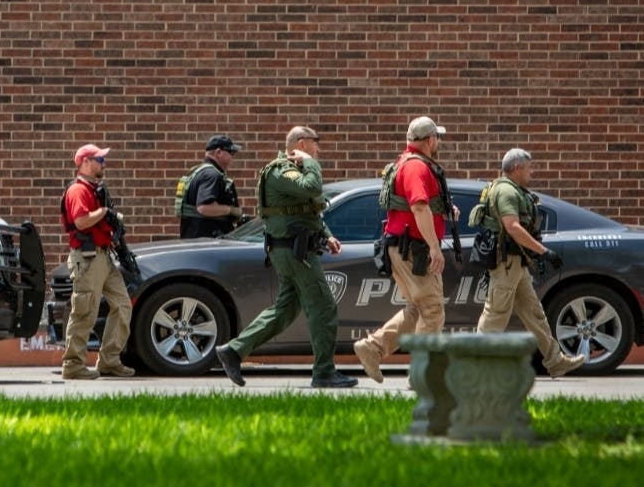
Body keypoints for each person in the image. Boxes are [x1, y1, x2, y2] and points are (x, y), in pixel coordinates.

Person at [215, 126, 357, 388]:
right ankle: (324, 372)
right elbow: (312, 187)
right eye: (316, 144)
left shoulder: (294, 170)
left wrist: (326, 235)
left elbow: (308, 209)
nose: (318, 150)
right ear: (302, 144)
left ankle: (233, 351)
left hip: (293, 249)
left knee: (285, 310)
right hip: (294, 251)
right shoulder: (281, 170)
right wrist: (312, 163)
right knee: (324, 307)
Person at [353, 116, 457, 384]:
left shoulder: (406, 163)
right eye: (438, 138)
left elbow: (423, 206)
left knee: (417, 310)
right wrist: (435, 248)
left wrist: (443, 211)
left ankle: (372, 348)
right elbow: (418, 206)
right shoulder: (416, 168)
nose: (439, 143)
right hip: (415, 250)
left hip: (403, 247)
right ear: (430, 140)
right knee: (432, 310)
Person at [475, 148, 585, 377]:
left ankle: (555, 360)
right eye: (528, 167)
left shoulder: (511, 189)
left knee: (534, 313)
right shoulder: (506, 191)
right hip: (506, 264)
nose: (531, 172)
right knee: (495, 314)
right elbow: (512, 227)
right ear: (516, 168)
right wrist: (544, 251)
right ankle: (473, 364)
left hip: (516, 263)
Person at [59, 143, 135, 380]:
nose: (103, 163)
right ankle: (73, 365)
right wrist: (104, 213)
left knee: (123, 305)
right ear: (84, 163)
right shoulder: (78, 191)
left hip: (103, 256)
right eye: (98, 159)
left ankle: (110, 360)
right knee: (85, 312)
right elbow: (81, 221)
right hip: (88, 258)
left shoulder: (94, 190)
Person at [178, 134, 245, 238]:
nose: (233, 156)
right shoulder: (212, 175)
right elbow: (204, 207)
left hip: (195, 239)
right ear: (218, 152)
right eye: (231, 152)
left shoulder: (197, 172)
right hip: (208, 242)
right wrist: (231, 210)